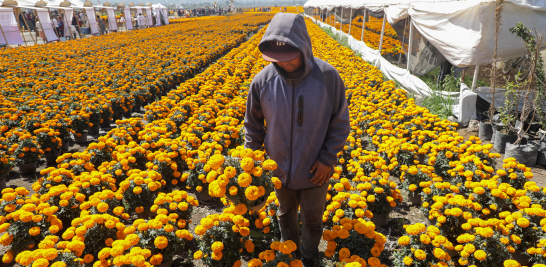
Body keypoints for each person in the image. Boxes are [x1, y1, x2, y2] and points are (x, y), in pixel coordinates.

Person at [244, 13, 350, 267]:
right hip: (278, 170)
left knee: (313, 218)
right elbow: (252, 126)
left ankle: (310, 256)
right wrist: (250, 163)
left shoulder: (327, 77)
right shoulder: (262, 81)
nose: (286, 62)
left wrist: (327, 159)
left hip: (316, 171)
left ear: (304, 46)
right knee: (284, 214)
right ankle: (289, 255)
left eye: (291, 55)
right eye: (278, 58)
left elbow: (339, 123)